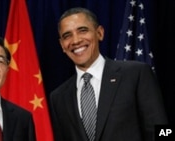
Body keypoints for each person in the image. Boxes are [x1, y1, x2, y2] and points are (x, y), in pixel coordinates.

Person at [49, 7, 168, 141]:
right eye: (67, 35)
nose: (76, 41)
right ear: (62, 45)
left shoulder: (136, 74)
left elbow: (163, 130)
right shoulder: (58, 98)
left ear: (100, 33)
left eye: (82, 30)